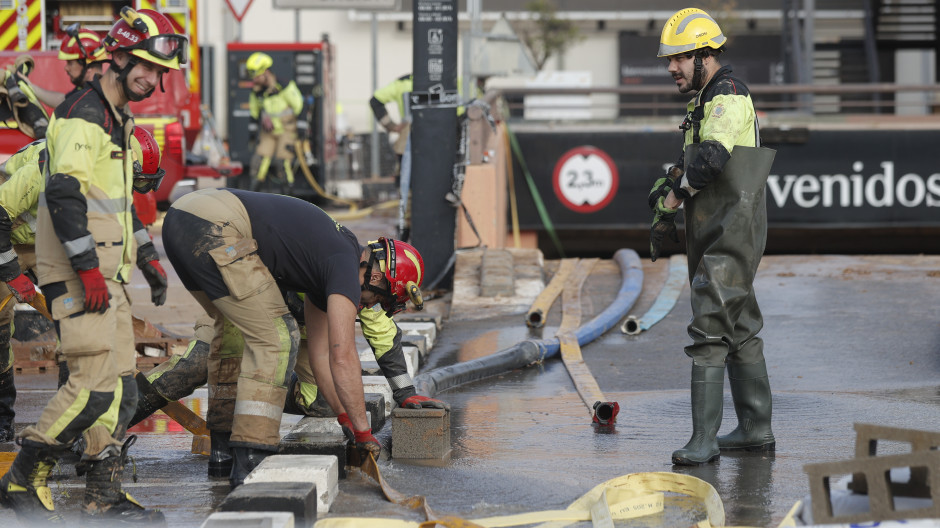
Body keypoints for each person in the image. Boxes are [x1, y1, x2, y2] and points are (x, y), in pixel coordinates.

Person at [0, 7, 185, 524]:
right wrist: (84, 271)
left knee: (122, 388)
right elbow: (63, 193)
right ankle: (22, 480)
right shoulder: (85, 114)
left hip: (109, 275)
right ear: (119, 57)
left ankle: (103, 493)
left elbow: (116, 200)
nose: (153, 79)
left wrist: (145, 257)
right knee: (93, 385)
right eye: (146, 67)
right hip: (83, 276)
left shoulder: (117, 117)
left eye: (161, 72)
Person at [161, 187, 426, 487]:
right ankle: (250, 459)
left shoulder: (326, 265)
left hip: (183, 218)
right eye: (377, 300)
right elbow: (343, 355)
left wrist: (347, 421)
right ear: (377, 277)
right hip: (216, 227)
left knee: (234, 335)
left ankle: (222, 456)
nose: (368, 307)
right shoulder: (343, 264)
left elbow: (322, 357)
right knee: (277, 337)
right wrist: (365, 432)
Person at [126, 291, 449, 478]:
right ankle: (110, 421)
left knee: (323, 402)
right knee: (196, 368)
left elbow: (383, 336)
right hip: (242, 307)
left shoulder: (365, 288)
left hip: (304, 333)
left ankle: (251, 384)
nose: (375, 306)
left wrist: (405, 393)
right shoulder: (326, 262)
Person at [649, 8, 776, 466]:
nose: (671, 68)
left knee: (709, 328)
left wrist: (672, 199)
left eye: (679, 58)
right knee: (739, 328)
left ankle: (703, 440)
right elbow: (695, 159)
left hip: (731, 229)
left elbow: (713, 159)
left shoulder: (726, 95)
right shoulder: (706, 98)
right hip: (721, 227)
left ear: (705, 55)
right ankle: (756, 429)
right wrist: (673, 179)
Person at [0, 127, 168, 446]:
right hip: (6, 236)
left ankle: (73, 425)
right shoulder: (47, 169)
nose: (135, 188)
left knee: (80, 328)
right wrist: (11, 273)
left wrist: (148, 257)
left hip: (52, 243)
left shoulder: (108, 175)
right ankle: (2, 416)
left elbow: (126, 215)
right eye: (137, 180)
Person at [245, 52, 303, 193]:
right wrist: (253, 132)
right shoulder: (257, 92)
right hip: (269, 131)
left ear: (266, 72)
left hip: (286, 129)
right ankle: (254, 197)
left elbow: (299, 106)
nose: (255, 80)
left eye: (258, 76)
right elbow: (254, 113)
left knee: (283, 163)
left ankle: (289, 198)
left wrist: (301, 128)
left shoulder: (284, 86)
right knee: (260, 162)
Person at [26, 24, 109, 109]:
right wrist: (29, 87)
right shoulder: (87, 90)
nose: (66, 68)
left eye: (70, 63)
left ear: (88, 66)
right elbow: (63, 101)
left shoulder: (98, 99)